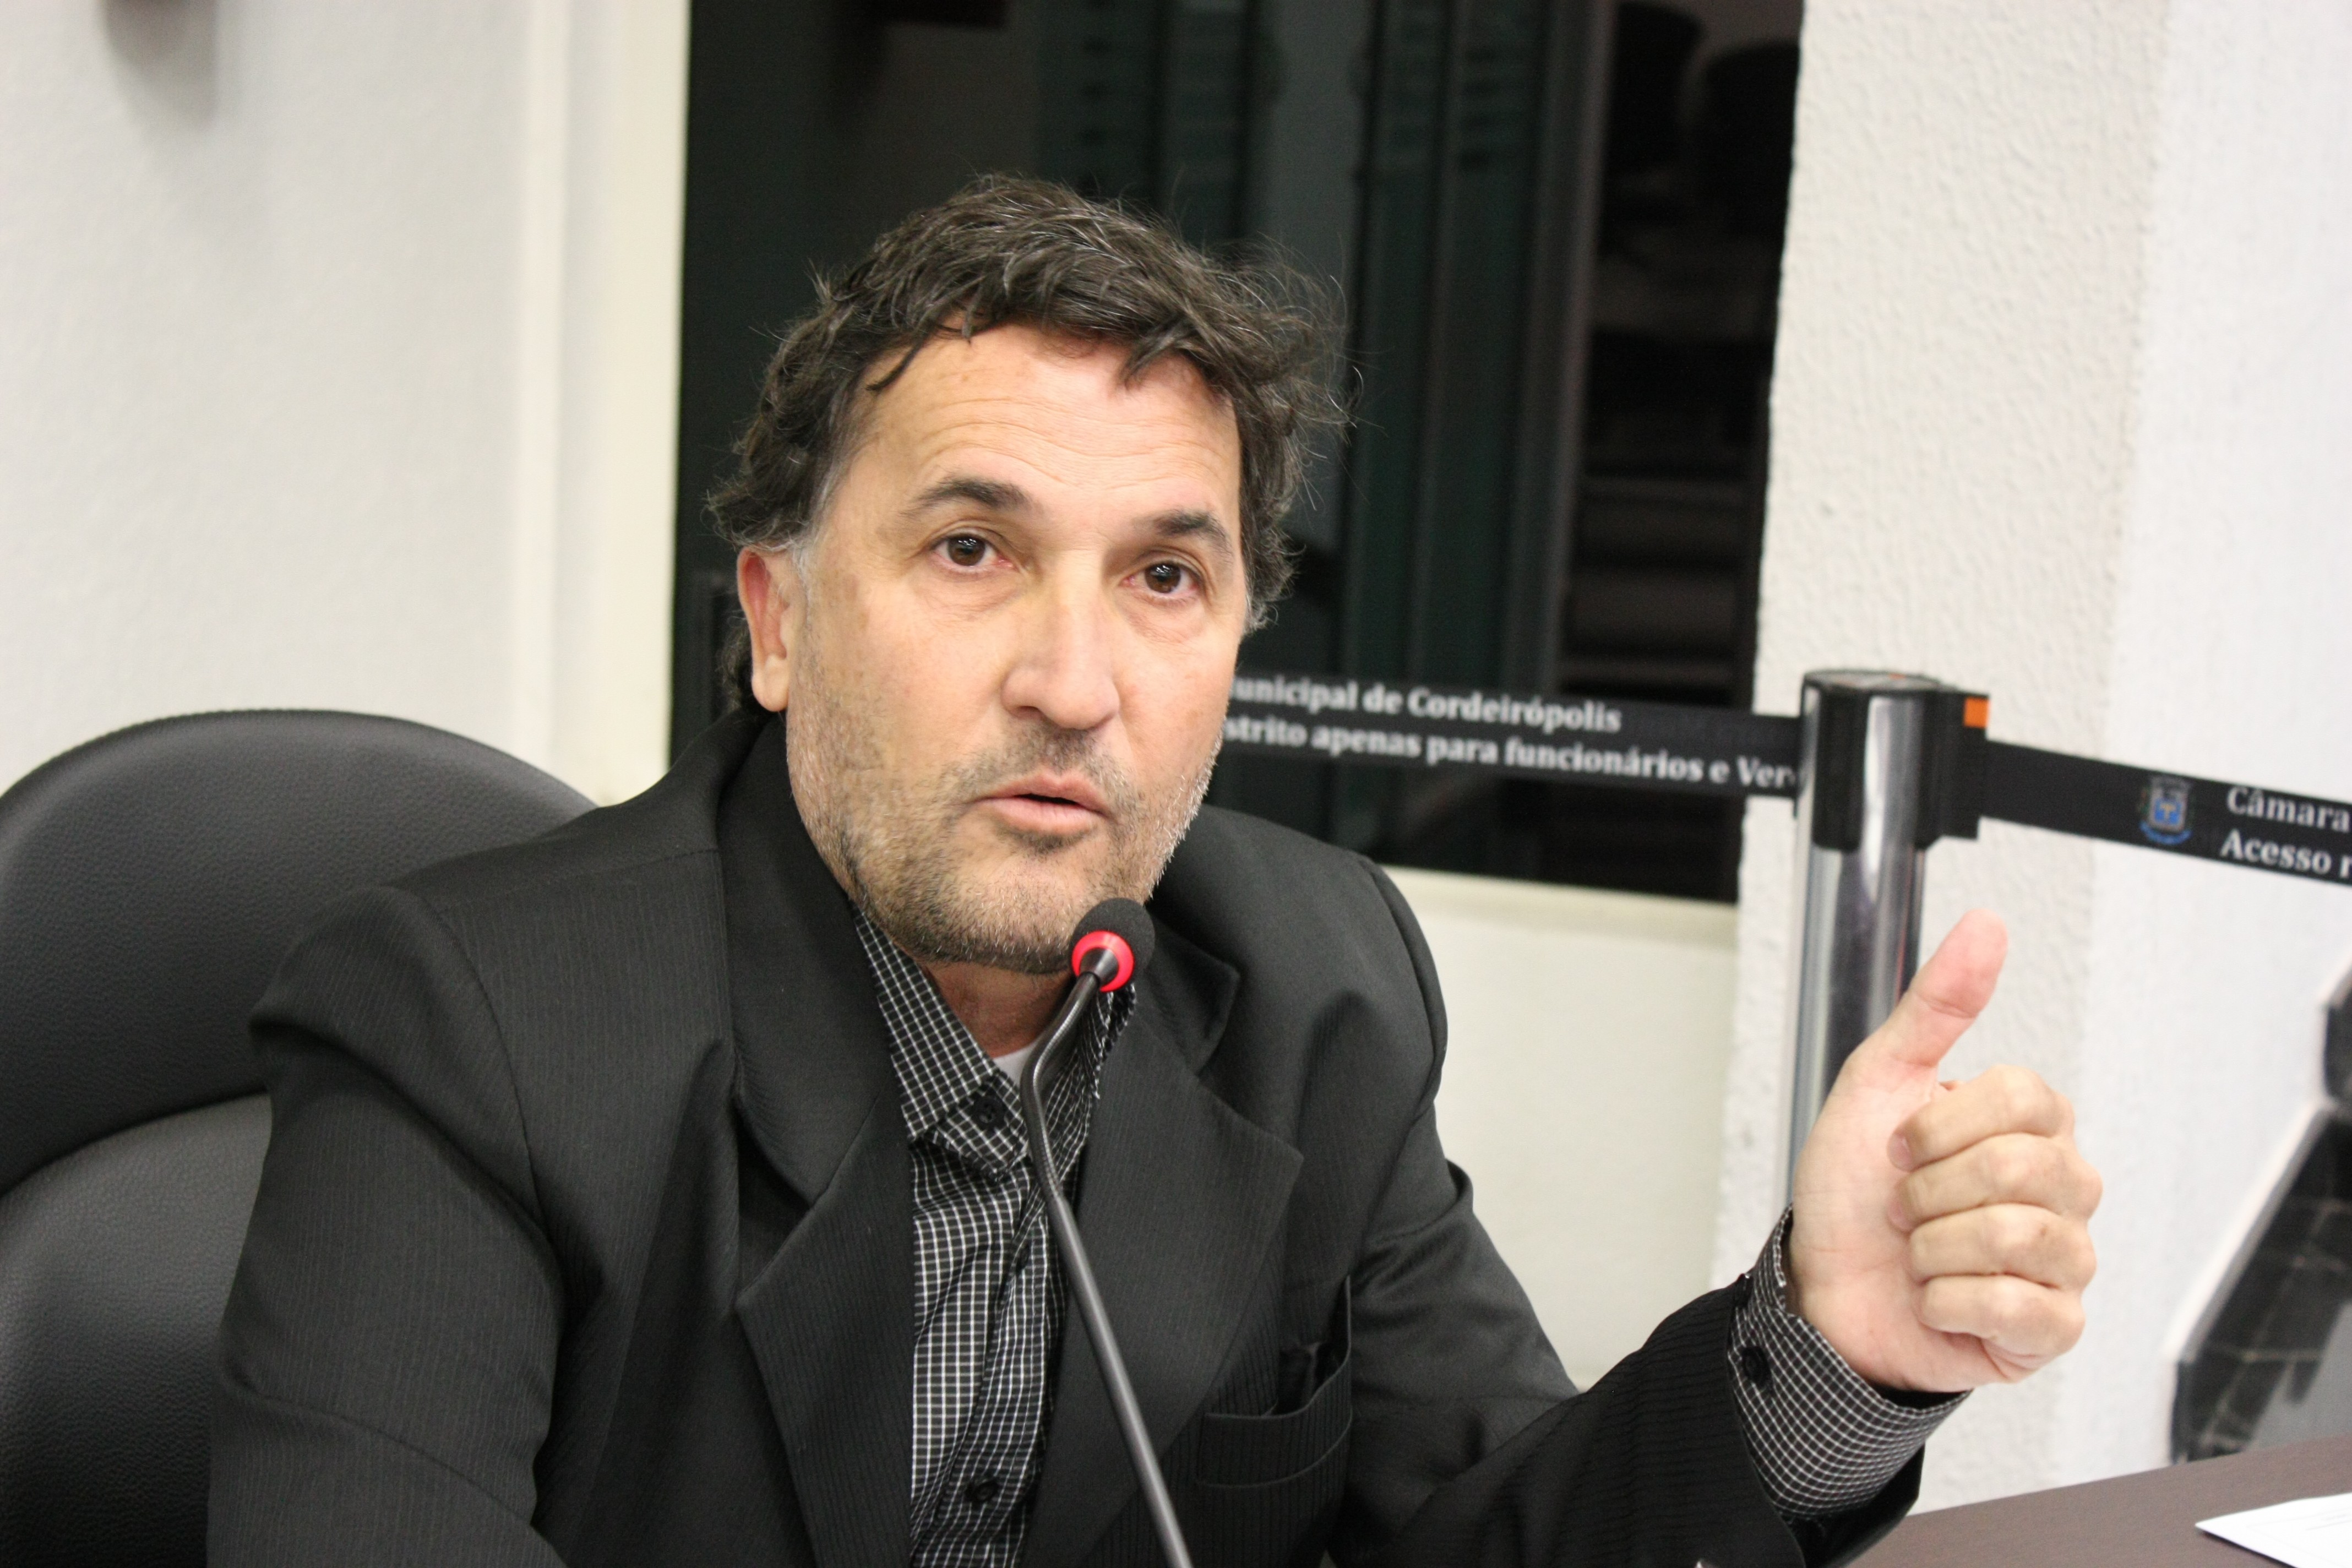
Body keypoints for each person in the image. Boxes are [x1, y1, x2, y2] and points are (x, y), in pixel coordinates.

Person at [210, 177, 2101, 1568]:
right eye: (971, 551)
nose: (1074, 680)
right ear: (777, 621)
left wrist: (1827, 1349)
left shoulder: (1318, 988)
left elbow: (1505, 1536)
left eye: (1165, 578)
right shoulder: (469, 1026)